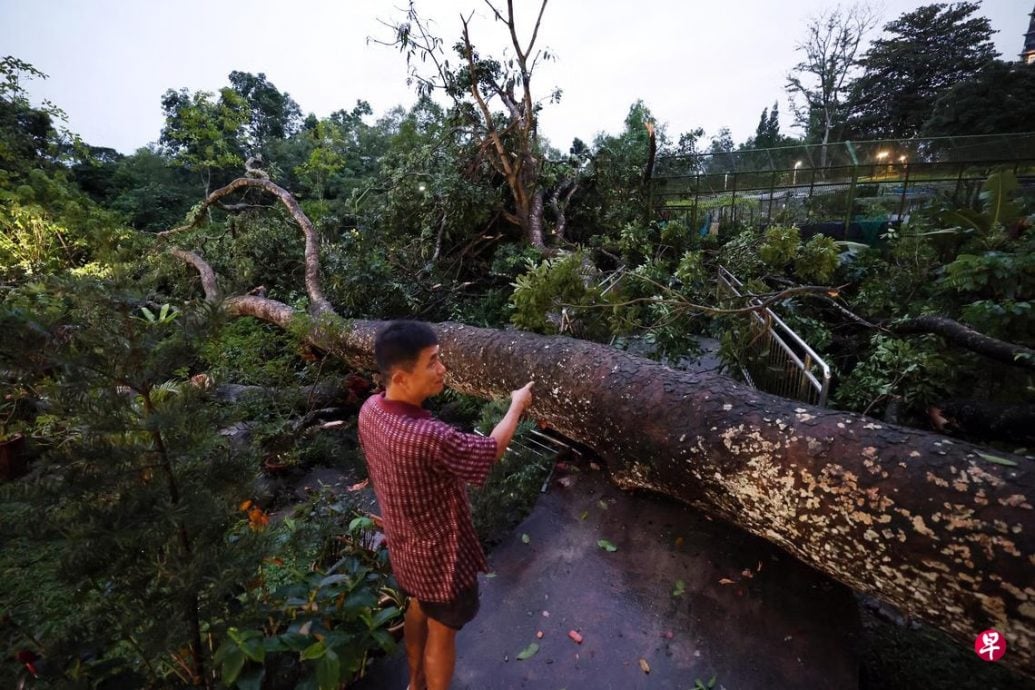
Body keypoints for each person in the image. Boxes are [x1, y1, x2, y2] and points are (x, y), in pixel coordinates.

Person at [357, 320, 534, 690]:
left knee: (418, 605)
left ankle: (415, 681)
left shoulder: (370, 409)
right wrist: (516, 406)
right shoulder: (430, 437)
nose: (442, 369)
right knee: (443, 632)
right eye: (433, 362)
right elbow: (489, 451)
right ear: (402, 378)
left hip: (405, 548)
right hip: (442, 559)